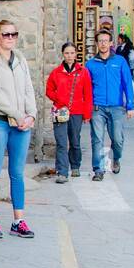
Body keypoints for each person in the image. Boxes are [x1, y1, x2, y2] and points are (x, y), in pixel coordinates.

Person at [0, 18, 37, 239]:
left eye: (14, 34)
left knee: (17, 173)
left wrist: (31, 115)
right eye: (6, 34)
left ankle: (18, 220)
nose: (10, 38)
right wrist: (17, 114)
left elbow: (28, 89)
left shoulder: (20, 59)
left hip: (21, 123)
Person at [87, 27, 134, 179]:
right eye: (100, 41)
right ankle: (98, 170)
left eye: (105, 41)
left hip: (116, 107)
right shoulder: (90, 64)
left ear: (111, 43)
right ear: (96, 44)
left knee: (118, 139)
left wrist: (130, 106)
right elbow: (86, 89)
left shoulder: (120, 62)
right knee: (97, 139)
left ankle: (116, 158)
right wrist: (86, 110)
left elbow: (128, 83)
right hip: (97, 107)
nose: (103, 44)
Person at [45, 42, 93, 183]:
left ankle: (75, 165)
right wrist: (58, 99)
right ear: (63, 54)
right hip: (60, 112)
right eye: (67, 53)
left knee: (75, 141)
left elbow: (88, 94)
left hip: (77, 111)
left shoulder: (83, 72)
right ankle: (62, 172)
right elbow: (49, 90)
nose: (70, 56)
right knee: (61, 142)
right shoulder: (56, 73)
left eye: (72, 53)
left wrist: (87, 114)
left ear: (76, 54)